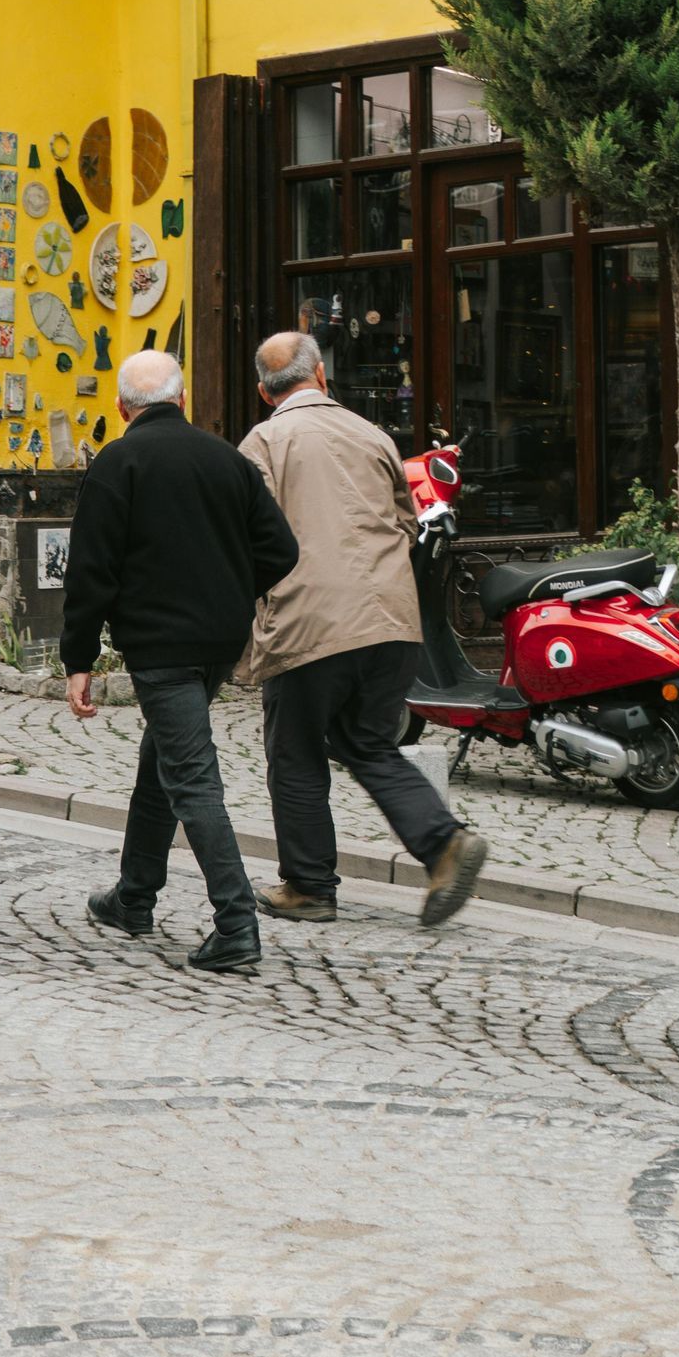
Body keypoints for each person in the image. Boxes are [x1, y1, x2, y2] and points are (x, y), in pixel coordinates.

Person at [239, 330, 488, 930]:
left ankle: (308, 887)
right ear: (321, 375)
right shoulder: (373, 434)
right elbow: (407, 523)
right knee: (367, 741)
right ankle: (442, 843)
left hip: (310, 623)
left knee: (295, 754)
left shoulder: (264, 441)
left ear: (262, 392)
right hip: (391, 620)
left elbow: (252, 538)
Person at [61, 349, 299, 973]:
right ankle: (134, 896)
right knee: (162, 757)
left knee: (191, 776)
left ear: (121, 408)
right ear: (183, 400)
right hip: (220, 643)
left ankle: (236, 926)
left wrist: (78, 659)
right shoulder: (227, 458)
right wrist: (229, 590)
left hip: (159, 647)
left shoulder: (119, 461)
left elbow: (91, 571)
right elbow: (280, 549)